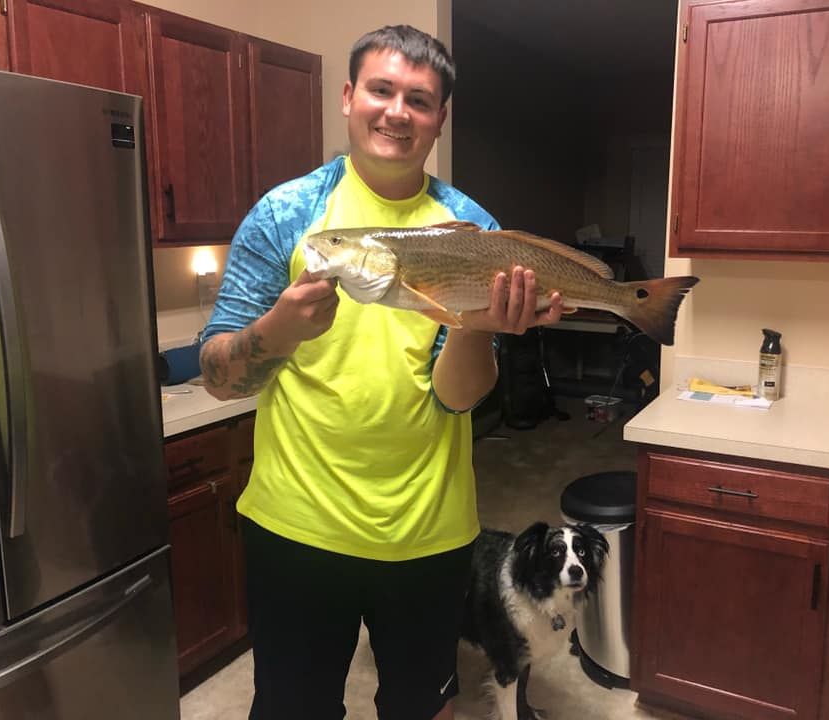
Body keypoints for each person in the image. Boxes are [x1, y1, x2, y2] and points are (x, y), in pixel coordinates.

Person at [199, 24, 563, 720]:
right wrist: (278, 331)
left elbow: (457, 398)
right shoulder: (287, 215)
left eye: (419, 100)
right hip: (296, 528)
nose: (397, 112)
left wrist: (476, 324)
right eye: (381, 90)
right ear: (348, 97)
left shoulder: (471, 230)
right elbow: (219, 376)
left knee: (421, 708)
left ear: (439, 119)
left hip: (427, 532)